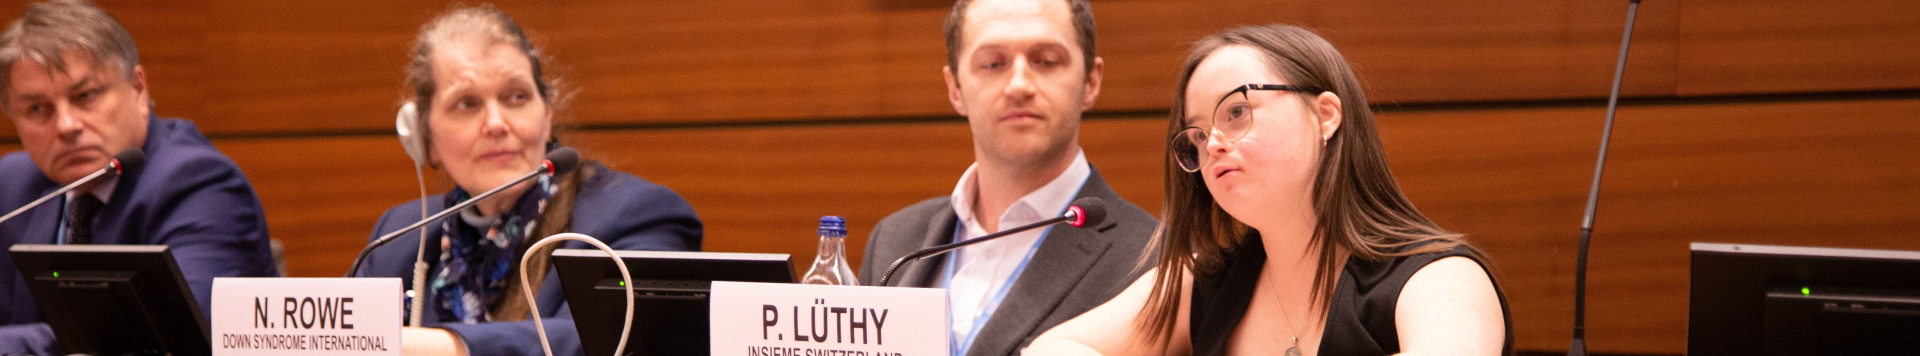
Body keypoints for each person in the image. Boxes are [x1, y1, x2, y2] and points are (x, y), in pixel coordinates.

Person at [1023, 24, 1511, 355]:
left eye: (1236, 112)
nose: (1212, 143)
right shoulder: (1205, 280)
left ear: (1325, 116)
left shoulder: (1441, 280)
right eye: (1195, 133)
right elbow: (1051, 349)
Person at [350, 6, 702, 356]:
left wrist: (441, 346)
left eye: (516, 97)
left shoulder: (635, 216)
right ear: (425, 140)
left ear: (546, 118)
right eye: (467, 103)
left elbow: (608, 338)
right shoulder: (397, 240)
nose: (496, 123)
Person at [855, 0, 1158, 355]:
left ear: (1091, 81)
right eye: (992, 64)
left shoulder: (1152, 258)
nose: (1019, 85)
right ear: (955, 89)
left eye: (1046, 61)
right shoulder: (895, 241)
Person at [0, 0, 277, 354]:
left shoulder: (201, 185)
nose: (66, 126)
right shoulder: (13, 186)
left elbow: (159, 336)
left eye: (86, 96)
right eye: (38, 109)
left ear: (138, 89)